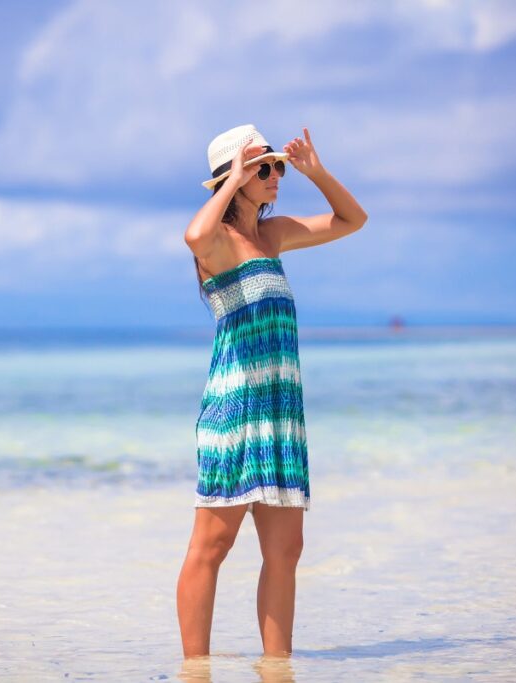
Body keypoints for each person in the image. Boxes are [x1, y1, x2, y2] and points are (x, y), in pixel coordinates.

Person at [177, 123, 368, 658]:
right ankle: (196, 670)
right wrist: (230, 178)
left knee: (286, 551)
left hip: (282, 415)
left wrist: (317, 172)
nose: (276, 175)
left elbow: (353, 220)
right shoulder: (215, 241)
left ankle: (276, 668)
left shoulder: (275, 233)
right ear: (233, 179)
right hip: (236, 411)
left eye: (278, 166)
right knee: (211, 547)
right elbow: (193, 236)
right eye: (266, 167)